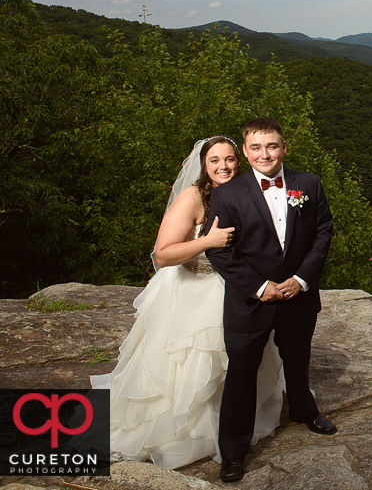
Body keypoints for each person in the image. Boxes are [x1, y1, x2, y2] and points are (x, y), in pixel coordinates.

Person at [90, 136, 285, 470]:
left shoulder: (248, 192)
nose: (223, 166)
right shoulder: (193, 197)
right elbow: (163, 254)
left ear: (239, 162)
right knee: (193, 364)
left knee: (238, 360)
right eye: (214, 160)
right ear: (203, 165)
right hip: (193, 289)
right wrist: (208, 241)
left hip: (239, 287)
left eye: (229, 159)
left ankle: (233, 424)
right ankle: (186, 430)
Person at [205, 117, 336, 484]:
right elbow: (219, 252)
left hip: (298, 297)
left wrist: (301, 279)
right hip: (251, 302)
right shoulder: (227, 194)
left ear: (284, 147)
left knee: (298, 359)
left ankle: (304, 411)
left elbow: (323, 231)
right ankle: (232, 451)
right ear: (245, 152)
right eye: (257, 148)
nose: (265, 154)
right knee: (242, 375)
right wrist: (261, 287)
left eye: (272, 146)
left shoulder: (307, 184)